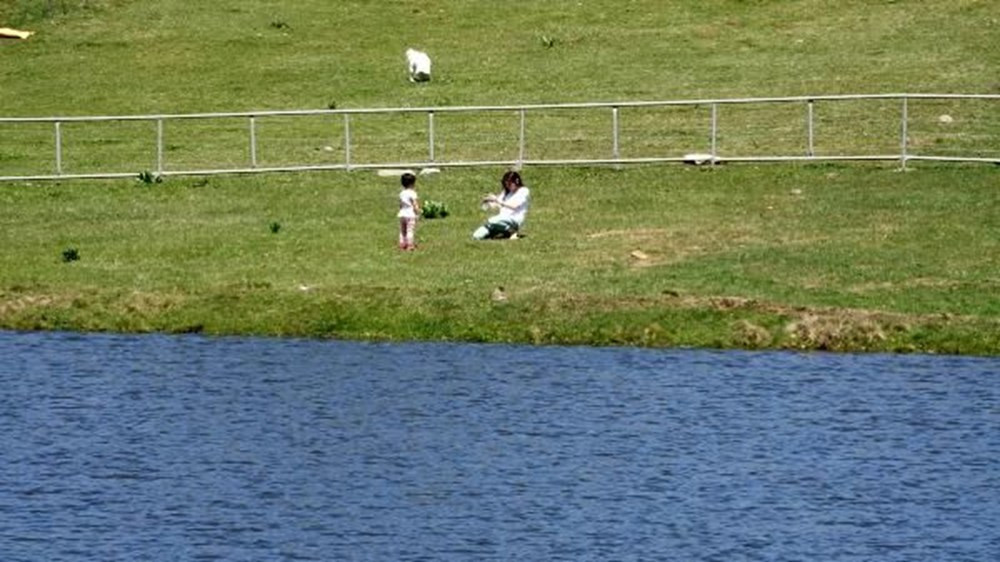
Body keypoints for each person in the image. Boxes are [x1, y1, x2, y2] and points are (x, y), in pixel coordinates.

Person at [472, 170, 530, 240]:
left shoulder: (523, 191)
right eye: (506, 184)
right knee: (476, 236)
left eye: (509, 184)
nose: (508, 187)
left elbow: (514, 206)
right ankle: (503, 231)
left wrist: (497, 200)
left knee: (492, 220)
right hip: (501, 219)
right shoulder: (506, 192)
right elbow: (498, 205)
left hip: (514, 220)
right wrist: (489, 202)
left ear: (517, 181)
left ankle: (512, 231)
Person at [397, 172, 421, 250]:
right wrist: (417, 211)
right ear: (412, 184)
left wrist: (400, 210)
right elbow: (414, 204)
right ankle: (410, 245)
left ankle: (402, 243)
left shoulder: (401, 193)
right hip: (410, 214)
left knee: (402, 230)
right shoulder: (412, 193)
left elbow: (400, 204)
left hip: (402, 214)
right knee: (410, 230)